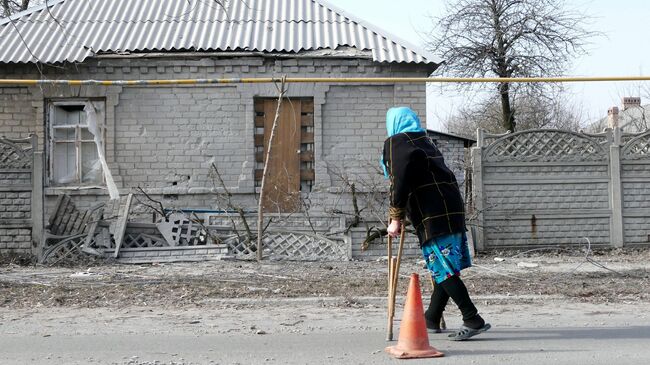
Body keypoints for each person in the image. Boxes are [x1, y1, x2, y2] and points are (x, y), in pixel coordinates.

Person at [381, 106, 490, 341]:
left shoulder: (396, 142)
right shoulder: (425, 141)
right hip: (451, 207)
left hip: (432, 213)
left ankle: (472, 318)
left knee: (442, 266)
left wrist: (395, 217)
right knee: (444, 265)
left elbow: (398, 181)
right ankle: (431, 317)